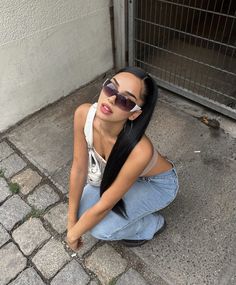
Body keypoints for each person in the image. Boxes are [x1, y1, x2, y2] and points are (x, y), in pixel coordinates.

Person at [66, 66, 179, 250]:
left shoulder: (140, 151)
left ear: (134, 113)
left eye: (125, 100)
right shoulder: (83, 114)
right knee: (80, 211)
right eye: (111, 87)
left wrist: (73, 235)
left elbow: (105, 205)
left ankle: (152, 224)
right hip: (123, 175)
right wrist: (71, 223)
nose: (111, 99)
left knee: (100, 229)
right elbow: (79, 168)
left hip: (157, 184)